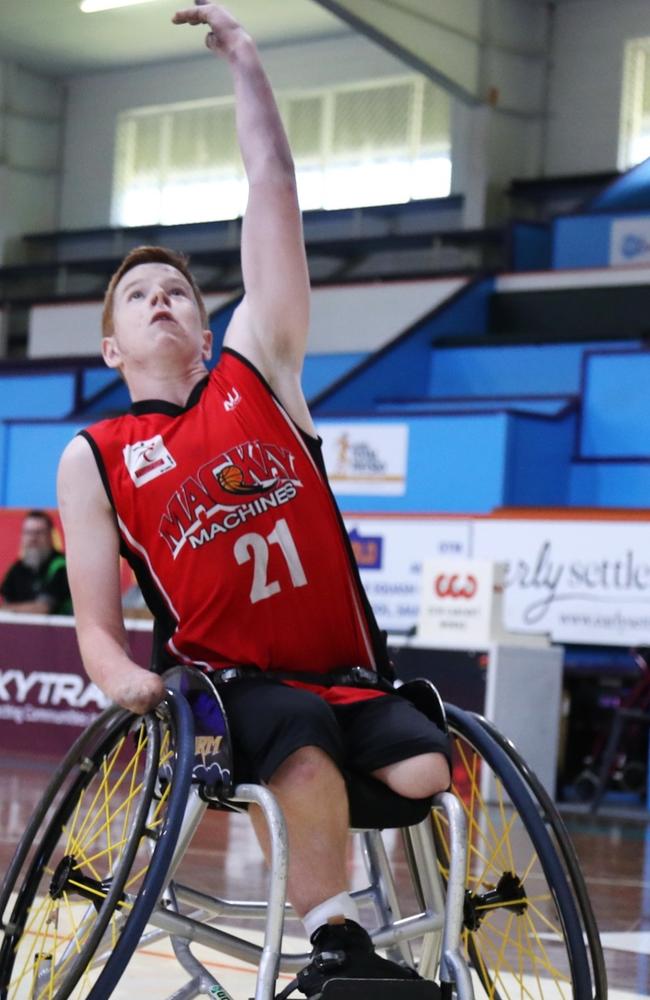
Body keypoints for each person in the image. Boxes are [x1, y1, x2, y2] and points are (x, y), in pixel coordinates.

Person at [57, 3, 450, 995]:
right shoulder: (97, 453)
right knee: (299, 737)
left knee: (424, 770)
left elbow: (273, 189)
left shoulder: (257, 371)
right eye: (138, 296)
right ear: (111, 346)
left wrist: (246, 64)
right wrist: (117, 676)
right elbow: (97, 629)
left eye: (178, 292)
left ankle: (379, 909)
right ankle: (335, 944)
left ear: (204, 324)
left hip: (341, 668)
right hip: (231, 684)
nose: (162, 300)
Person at [0, 509, 72, 615]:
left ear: (50, 536)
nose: (32, 538)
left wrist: (8, 609)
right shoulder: (17, 568)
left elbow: (43, 609)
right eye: (28, 533)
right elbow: (6, 601)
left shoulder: (60, 566)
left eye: (38, 533)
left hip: (60, 630)